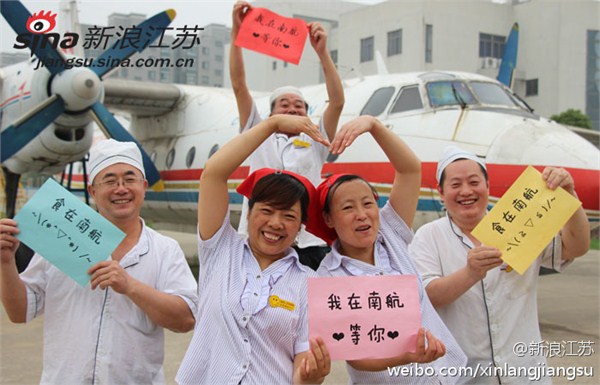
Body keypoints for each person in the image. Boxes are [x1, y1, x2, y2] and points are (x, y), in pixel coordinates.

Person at [0, 139, 198, 385]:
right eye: (110, 181)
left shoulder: (165, 250)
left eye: (129, 179)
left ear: (144, 186)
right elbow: (20, 312)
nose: (121, 188)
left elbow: (186, 319)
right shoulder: (61, 238)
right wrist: (6, 262)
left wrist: (130, 286)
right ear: (93, 191)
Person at [408, 145, 591, 384]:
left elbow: (576, 247)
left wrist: (569, 196)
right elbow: (425, 296)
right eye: (455, 185)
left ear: (487, 187)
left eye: (474, 182)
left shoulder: (520, 225)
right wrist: (470, 273)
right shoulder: (428, 236)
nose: (466, 191)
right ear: (441, 193)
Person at [175, 114, 331, 385]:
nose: (275, 223)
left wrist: (310, 378)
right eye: (266, 211)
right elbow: (213, 173)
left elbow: (303, 364)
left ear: (301, 226)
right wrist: (272, 125)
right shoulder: (221, 249)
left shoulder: (309, 283)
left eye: (289, 216)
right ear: (248, 212)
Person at [312, 116, 466, 384]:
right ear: (328, 219)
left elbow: (409, 170)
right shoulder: (328, 277)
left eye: (367, 203)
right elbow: (355, 355)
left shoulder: (390, 234)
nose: (362, 215)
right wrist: (408, 356)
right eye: (348, 208)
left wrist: (374, 126)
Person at [230, 1, 344, 270]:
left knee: (308, 308)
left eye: (299, 105)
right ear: (271, 114)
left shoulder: (317, 139)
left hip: (308, 241)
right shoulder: (256, 132)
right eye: (284, 104)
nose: (292, 108)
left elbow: (337, 103)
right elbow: (238, 85)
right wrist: (237, 32)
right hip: (259, 236)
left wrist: (323, 53)